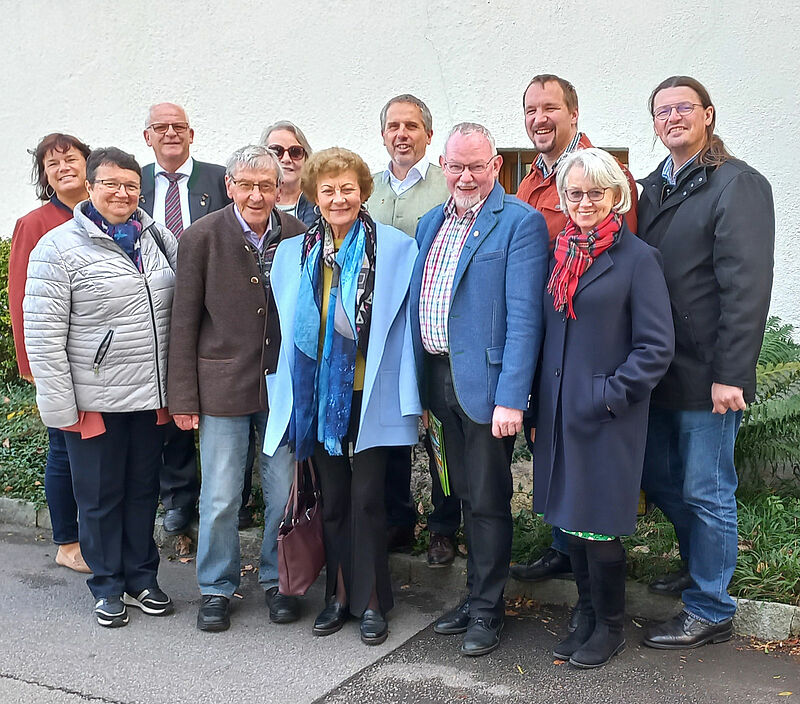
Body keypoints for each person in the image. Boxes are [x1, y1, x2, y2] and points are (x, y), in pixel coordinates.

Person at [263, 147, 421, 646]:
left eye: (347, 188)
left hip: (370, 389)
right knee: (332, 501)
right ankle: (337, 596)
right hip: (315, 396)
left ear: (363, 192)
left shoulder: (396, 248)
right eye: (327, 189)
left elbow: (407, 329)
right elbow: (287, 331)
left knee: (369, 500)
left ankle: (373, 601)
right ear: (313, 194)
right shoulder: (292, 253)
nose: (338, 198)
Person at [638, 76, 774, 649]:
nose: (672, 117)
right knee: (661, 479)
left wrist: (731, 374)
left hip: (707, 372)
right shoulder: (650, 188)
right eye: (662, 110)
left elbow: (746, 287)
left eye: (683, 108)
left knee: (706, 489)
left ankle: (712, 607)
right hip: (658, 366)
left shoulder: (736, 184)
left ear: (708, 115)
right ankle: (701, 567)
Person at [24, 147, 178, 628]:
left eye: (131, 184)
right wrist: (63, 408)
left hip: (150, 397)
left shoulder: (158, 238)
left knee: (141, 492)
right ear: (89, 188)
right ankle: (107, 585)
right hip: (95, 400)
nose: (122, 193)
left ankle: (142, 579)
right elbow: (44, 337)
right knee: (98, 496)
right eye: (110, 183)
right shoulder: (58, 247)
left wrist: (175, 392)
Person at [410, 123, 548, 656]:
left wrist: (513, 396)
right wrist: (418, 392)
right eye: (456, 166)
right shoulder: (429, 222)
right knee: (460, 492)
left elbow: (524, 318)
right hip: (438, 381)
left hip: (488, 388)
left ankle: (488, 612)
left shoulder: (519, 223)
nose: (466, 176)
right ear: (443, 166)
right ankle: (472, 597)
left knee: (488, 501)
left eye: (476, 166)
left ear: (495, 166)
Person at [533, 148, 674, 668]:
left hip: (606, 415)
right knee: (571, 522)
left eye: (596, 192)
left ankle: (610, 626)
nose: (585, 201)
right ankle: (587, 614)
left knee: (600, 523)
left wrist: (610, 394)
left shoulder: (638, 259)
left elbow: (656, 347)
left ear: (617, 197)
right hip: (558, 413)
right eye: (575, 193)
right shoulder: (560, 254)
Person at [167, 145, 306, 633]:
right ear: (228, 185)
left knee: (283, 491)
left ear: (279, 187)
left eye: (266, 185)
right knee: (222, 495)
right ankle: (216, 587)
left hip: (281, 388)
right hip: (222, 387)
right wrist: (182, 397)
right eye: (246, 184)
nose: (256, 194)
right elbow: (183, 322)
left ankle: (279, 579)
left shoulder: (296, 234)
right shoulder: (201, 237)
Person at [511, 74, 638, 585]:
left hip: (590, 345)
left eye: (551, 108)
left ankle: (596, 576)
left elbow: (620, 267)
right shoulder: (528, 182)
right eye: (531, 110)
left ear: (574, 114)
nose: (540, 118)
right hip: (548, 335)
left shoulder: (603, 174)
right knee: (554, 453)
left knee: (589, 463)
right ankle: (565, 548)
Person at [365, 94, 458, 565]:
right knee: (392, 425)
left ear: (428, 133)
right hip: (379, 330)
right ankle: (398, 520)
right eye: (393, 126)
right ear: (383, 135)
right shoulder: (367, 189)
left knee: (437, 428)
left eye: (411, 126)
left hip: (429, 327)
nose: (402, 134)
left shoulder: (447, 187)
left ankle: (444, 526)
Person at [140, 102, 231, 536]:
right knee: (171, 398)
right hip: (154, 309)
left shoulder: (218, 178)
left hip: (215, 309)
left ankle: (234, 496)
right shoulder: (132, 182)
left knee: (221, 403)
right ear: (148, 137)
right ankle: (177, 497)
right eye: (161, 127)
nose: (170, 133)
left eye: (178, 127)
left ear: (192, 134)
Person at [9, 133, 92, 574]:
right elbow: (21, 300)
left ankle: (93, 536)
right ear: (45, 175)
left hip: (99, 367)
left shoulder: (107, 216)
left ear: (87, 164)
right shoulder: (35, 223)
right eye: (52, 163)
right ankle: (67, 541)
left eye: (70, 158)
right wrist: (33, 367)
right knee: (62, 448)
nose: (62, 167)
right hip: (57, 364)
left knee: (93, 451)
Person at [260, 121, 316, 226]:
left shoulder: (320, 204)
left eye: (295, 152)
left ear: (306, 158)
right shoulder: (253, 202)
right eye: (276, 151)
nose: (286, 159)